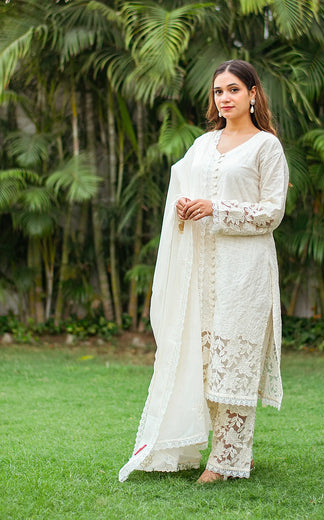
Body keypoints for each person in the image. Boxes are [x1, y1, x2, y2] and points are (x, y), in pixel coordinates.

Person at [119, 59, 289, 484]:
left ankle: (228, 459)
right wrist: (184, 207)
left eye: (233, 89)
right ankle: (217, 448)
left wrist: (217, 208)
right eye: (218, 92)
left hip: (244, 271)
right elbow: (186, 191)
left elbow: (272, 213)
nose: (225, 98)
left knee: (235, 362)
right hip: (201, 269)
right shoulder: (201, 144)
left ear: (253, 94)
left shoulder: (266, 147)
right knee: (206, 361)